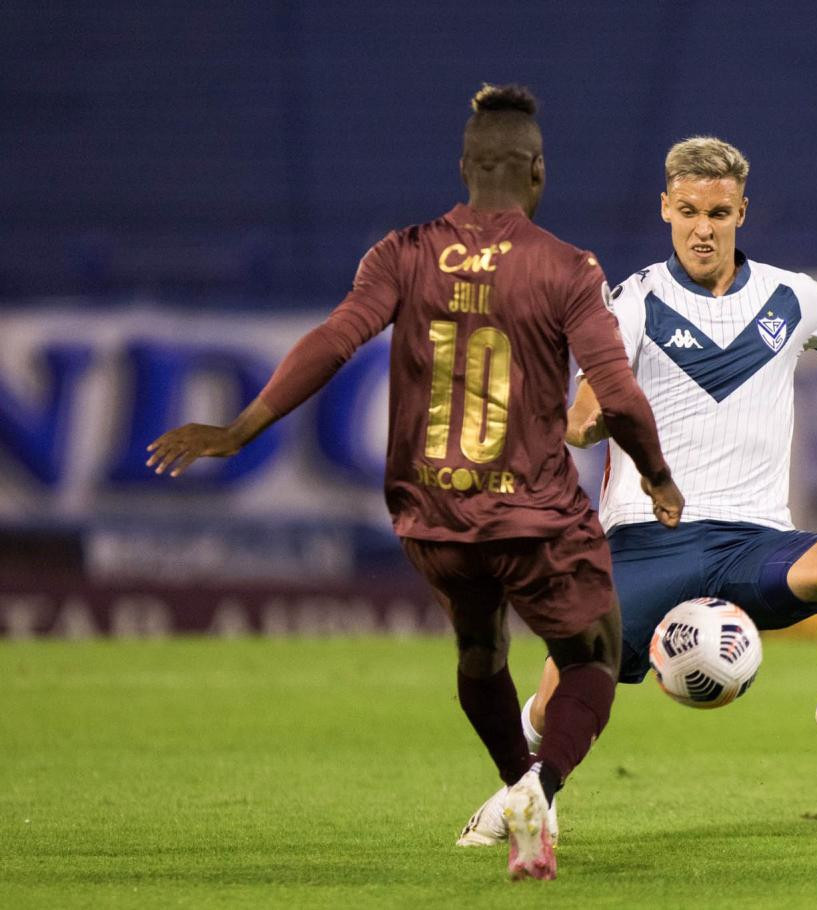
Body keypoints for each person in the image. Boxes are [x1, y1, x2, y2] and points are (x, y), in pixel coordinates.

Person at [145, 84, 684, 882]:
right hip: (534, 513)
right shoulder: (569, 268)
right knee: (593, 657)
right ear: (537, 172)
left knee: (478, 652)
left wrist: (238, 429)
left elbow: (334, 340)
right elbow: (620, 391)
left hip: (432, 516)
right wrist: (657, 477)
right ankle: (539, 785)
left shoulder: (402, 252)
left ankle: (518, 795)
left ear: (465, 165)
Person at [457, 135, 817, 847]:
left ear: (741, 212)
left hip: (752, 542)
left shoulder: (793, 297)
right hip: (645, 542)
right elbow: (579, 421)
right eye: (689, 210)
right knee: (564, 693)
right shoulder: (633, 303)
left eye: (718, 213)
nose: (702, 227)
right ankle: (521, 792)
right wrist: (594, 418)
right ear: (666, 207)